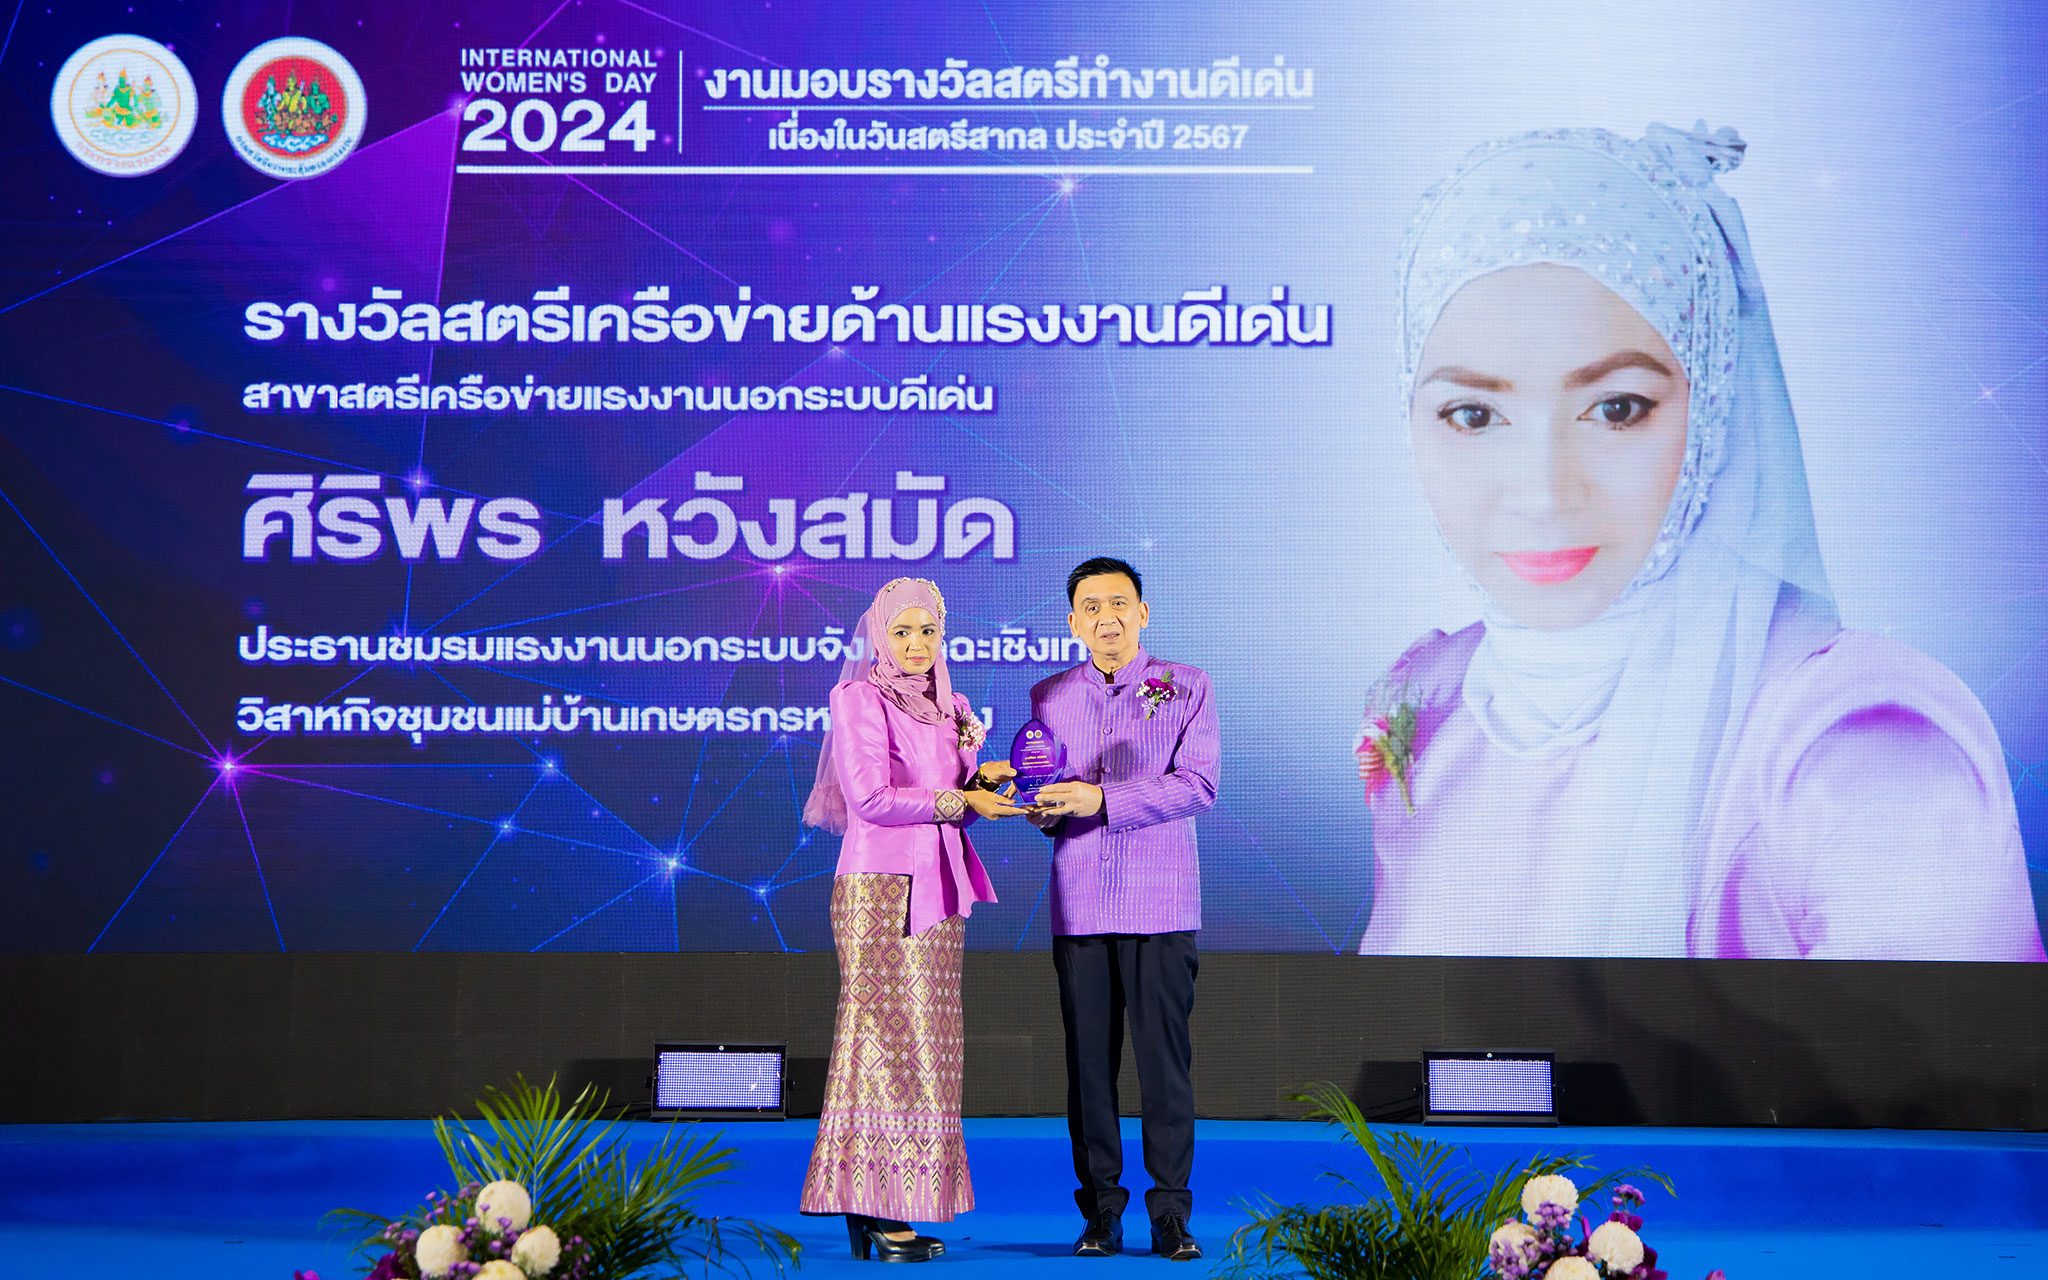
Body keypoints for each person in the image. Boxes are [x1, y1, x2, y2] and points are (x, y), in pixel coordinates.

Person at [1355, 123, 2045, 961]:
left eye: (1616, 409)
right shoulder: (1432, 699)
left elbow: (1946, 1045)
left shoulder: (1856, 743)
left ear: (1714, 403)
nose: (1543, 492)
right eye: (1473, 415)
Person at [798, 577, 1024, 1261]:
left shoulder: (951, 704)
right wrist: (960, 803)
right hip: (880, 889)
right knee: (880, 1038)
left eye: (928, 631)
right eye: (902, 631)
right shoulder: (859, 697)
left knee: (927, 1042)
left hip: (939, 887)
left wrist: (983, 783)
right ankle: (872, 1203)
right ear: (879, 635)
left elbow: (950, 798)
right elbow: (870, 798)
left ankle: (889, 1200)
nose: (917, 644)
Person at [1028, 556, 1220, 1259]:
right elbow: (1047, 796)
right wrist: (1041, 808)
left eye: (1118, 603)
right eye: (1091, 606)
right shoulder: (1049, 695)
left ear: (1142, 613)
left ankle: (1171, 1215)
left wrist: (1102, 799)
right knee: (1088, 1068)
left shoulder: (1187, 685)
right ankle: (1101, 1212)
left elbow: (1198, 786)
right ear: (1073, 622)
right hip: (1080, 902)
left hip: (1161, 902)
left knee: (1165, 1068)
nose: (1105, 617)